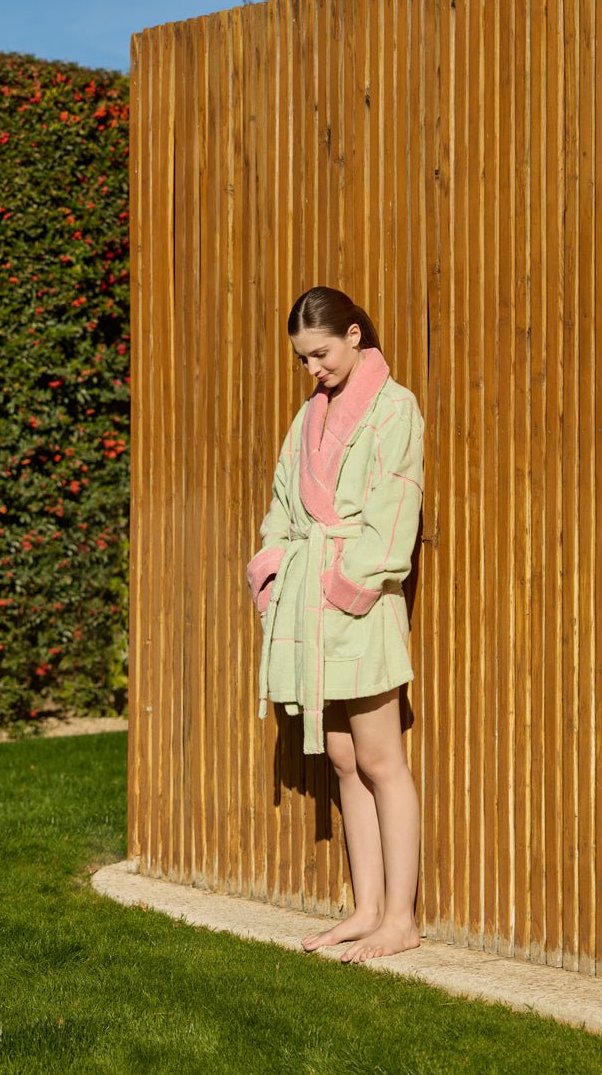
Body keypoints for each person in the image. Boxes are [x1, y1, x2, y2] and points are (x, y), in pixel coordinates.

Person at [245, 285, 424, 963]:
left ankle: (401, 919)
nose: (313, 369)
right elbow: (282, 500)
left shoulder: (394, 408)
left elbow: (395, 510)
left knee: (381, 758)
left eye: (320, 353)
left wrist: (349, 582)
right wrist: (272, 570)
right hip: (313, 599)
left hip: (363, 599)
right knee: (345, 758)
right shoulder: (309, 417)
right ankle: (367, 908)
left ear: (354, 335)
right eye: (303, 360)